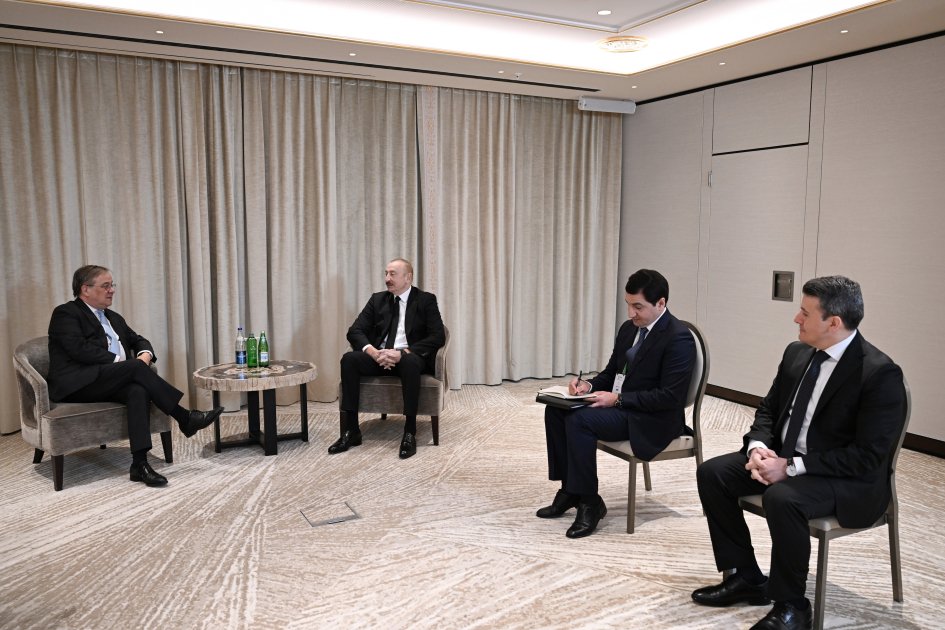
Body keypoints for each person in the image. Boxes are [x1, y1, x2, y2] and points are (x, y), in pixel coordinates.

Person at [691, 276, 906, 630]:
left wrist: (790, 467)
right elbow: (768, 409)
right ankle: (747, 577)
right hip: (787, 457)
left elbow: (867, 456)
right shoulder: (798, 353)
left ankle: (792, 605)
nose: (796, 319)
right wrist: (759, 447)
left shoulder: (879, 373)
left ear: (834, 322)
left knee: (782, 498)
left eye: (805, 313)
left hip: (845, 479)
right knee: (713, 473)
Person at [538, 269, 696, 538]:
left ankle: (590, 502)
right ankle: (570, 490)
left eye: (638, 307)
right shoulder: (628, 329)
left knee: (580, 421)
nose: (631, 313)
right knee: (556, 409)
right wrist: (588, 386)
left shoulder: (678, 337)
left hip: (652, 418)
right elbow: (612, 373)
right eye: (628, 304)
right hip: (624, 406)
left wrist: (619, 399)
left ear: (661, 303)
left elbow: (671, 397)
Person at [47, 265, 224, 487]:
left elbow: (138, 339)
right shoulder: (66, 313)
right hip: (77, 384)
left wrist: (145, 354)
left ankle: (139, 464)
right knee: (136, 369)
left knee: (137, 390)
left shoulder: (113, 317)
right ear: (85, 289)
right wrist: (124, 363)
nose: (112, 290)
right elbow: (78, 349)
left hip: (106, 380)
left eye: (112, 285)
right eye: (105, 286)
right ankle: (184, 417)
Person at [333, 258, 445, 459]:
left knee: (410, 362)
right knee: (349, 359)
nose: (387, 278)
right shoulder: (378, 300)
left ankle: (409, 432)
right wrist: (373, 352)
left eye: (392, 274)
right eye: (386, 273)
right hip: (380, 357)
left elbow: (437, 336)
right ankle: (352, 431)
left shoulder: (425, 300)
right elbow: (354, 331)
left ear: (408, 277)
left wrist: (403, 353)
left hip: (409, 358)